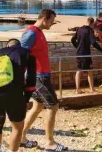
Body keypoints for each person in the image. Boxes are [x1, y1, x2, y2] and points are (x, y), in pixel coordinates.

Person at [20, 9, 68, 151]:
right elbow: (21, 56)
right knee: (53, 106)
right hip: (38, 76)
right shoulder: (31, 33)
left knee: (38, 106)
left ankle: (21, 138)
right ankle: (50, 143)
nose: (53, 24)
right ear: (44, 19)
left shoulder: (39, 33)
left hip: (40, 75)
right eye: (52, 21)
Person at [0, 39, 36, 152]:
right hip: (14, 93)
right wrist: (27, 99)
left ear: (7, 45)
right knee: (17, 127)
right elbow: (31, 79)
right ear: (19, 45)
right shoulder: (27, 53)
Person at [71, 17, 102, 94]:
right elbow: (93, 43)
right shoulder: (90, 30)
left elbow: (72, 40)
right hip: (86, 53)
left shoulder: (79, 29)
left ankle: (77, 89)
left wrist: (77, 46)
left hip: (79, 53)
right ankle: (92, 89)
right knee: (89, 71)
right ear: (92, 23)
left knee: (79, 70)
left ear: (86, 21)